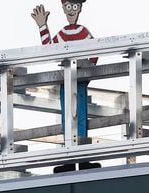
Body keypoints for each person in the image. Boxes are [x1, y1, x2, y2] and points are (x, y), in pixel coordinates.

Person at [31, 0, 100, 172]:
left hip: (79, 78)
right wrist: (42, 26)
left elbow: (95, 53)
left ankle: (82, 158)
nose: (71, 11)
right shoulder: (63, 33)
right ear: (63, 8)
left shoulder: (83, 31)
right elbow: (50, 49)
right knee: (67, 117)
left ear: (80, 8)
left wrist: (86, 67)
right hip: (67, 79)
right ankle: (70, 159)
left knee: (80, 116)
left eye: (74, 7)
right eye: (69, 7)